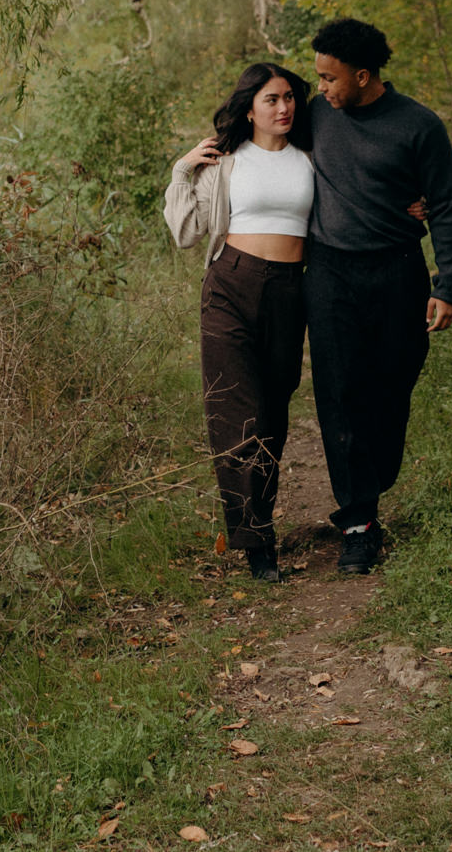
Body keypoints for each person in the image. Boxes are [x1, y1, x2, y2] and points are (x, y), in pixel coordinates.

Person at [306, 17, 452, 574]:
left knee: (393, 384)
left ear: (364, 75)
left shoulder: (419, 126)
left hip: (398, 271)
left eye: (329, 77)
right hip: (328, 273)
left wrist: (447, 284)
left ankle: (369, 484)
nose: (319, 87)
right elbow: (263, 138)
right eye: (318, 76)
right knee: (340, 392)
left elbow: (442, 204)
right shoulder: (316, 115)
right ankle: (358, 522)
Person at [164, 63, 314, 582]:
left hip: (290, 291)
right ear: (249, 107)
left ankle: (261, 521)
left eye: (290, 98)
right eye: (272, 99)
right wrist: (183, 170)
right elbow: (186, 232)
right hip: (230, 284)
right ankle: (255, 542)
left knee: (272, 411)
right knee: (237, 410)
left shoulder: (312, 160)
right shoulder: (226, 163)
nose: (284, 107)